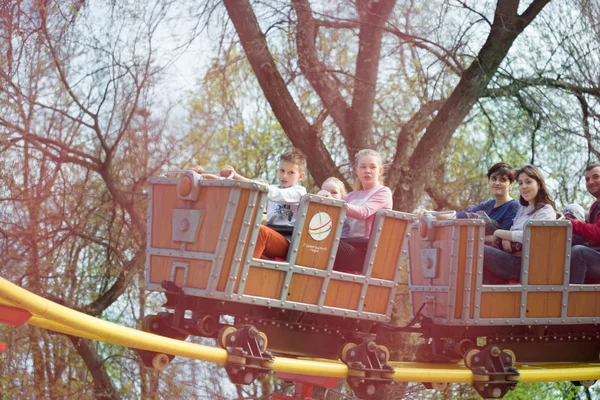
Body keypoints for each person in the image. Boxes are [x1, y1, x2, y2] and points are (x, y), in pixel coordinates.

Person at [219, 149, 307, 259]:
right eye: (282, 170)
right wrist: (226, 177)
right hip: (271, 232)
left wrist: (237, 176)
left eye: (291, 172)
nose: (284, 176)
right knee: (242, 227)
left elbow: (269, 192)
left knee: (261, 232)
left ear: (300, 176)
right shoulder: (273, 188)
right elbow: (251, 193)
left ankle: (245, 269)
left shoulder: (299, 192)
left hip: (287, 240)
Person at [319, 149, 393, 273]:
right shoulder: (352, 196)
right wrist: (321, 198)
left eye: (372, 167)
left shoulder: (383, 192)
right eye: (363, 167)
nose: (367, 171)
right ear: (357, 171)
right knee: (314, 242)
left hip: (366, 252)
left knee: (326, 243)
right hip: (350, 245)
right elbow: (334, 208)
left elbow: (363, 212)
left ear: (380, 171)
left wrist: (334, 202)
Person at [482, 165, 556, 283]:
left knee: (480, 251)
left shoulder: (546, 211)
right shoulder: (522, 210)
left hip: (527, 265)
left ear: (539, 184)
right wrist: (506, 237)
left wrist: (499, 233)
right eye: (520, 183)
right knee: (475, 251)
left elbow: (532, 236)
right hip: (512, 256)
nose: (523, 187)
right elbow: (513, 232)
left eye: (528, 182)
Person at [414, 162, 519, 245]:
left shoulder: (513, 206)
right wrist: (430, 213)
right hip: (475, 250)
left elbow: (504, 237)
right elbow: (457, 217)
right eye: (494, 179)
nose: (497, 183)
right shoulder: (487, 205)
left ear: (511, 184)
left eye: (503, 180)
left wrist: (472, 240)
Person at [568, 164, 600, 283]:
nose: (591, 182)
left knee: (579, 252)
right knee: (566, 244)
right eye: (587, 179)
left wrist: (573, 224)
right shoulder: (595, 206)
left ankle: (573, 298)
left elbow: (597, 232)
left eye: (596, 177)